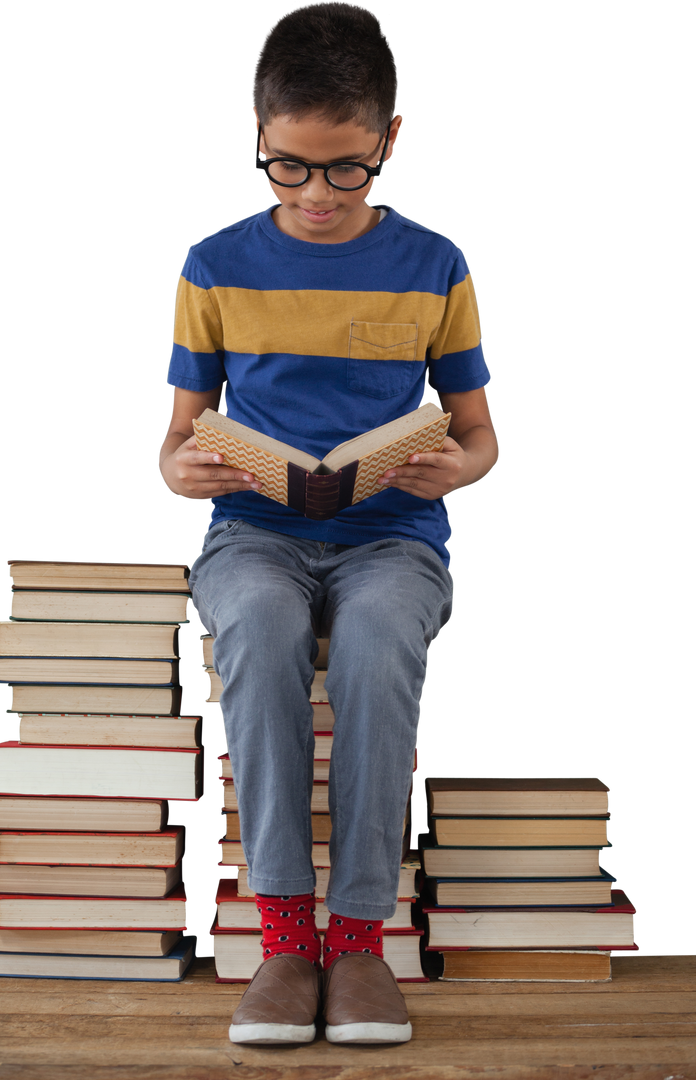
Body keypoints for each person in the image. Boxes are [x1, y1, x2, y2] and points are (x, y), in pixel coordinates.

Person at [157, 0, 500, 1047]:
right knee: (255, 630)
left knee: (376, 643)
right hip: (251, 532)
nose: (314, 194)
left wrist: (456, 466)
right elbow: (172, 447)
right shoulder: (211, 263)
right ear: (257, 136)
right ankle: (284, 938)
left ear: (390, 138)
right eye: (287, 168)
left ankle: (356, 939)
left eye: (344, 168)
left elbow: (483, 435)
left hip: (394, 536)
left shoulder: (437, 264)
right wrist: (190, 474)